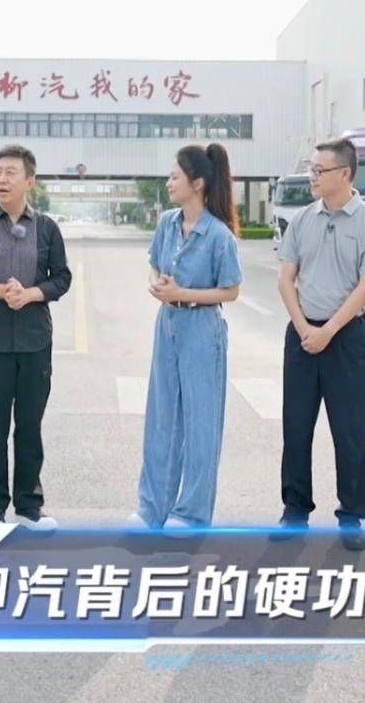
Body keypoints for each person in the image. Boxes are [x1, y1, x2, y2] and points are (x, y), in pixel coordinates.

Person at [275, 136, 365, 550]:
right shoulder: (302, 220)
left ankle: (351, 517)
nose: (312, 176)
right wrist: (304, 327)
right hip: (303, 335)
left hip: (347, 339)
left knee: (349, 430)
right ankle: (294, 511)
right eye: (311, 169)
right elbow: (286, 279)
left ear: (344, 174)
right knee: (296, 427)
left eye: (319, 170)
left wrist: (329, 331)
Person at [0, 145, 72, 529]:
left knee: (30, 427)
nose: (1, 180)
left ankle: (29, 506)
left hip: (36, 342)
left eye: (10, 173)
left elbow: (62, 278)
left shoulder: (47, 228)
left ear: (29, 182)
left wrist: (31, 294)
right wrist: (1, 291)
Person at [129, 143, 243, 530]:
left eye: (174, 177)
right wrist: (157, 284)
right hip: (168, 325)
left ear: (197, 184)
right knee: (161, 418)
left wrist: (184, 294)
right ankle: (152, 509)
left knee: (200, 424)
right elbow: (153, 264)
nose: (168, 183)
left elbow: (230, 291)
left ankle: (192, 513)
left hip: (202, 329)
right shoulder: (167, 223)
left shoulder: (218, 235)